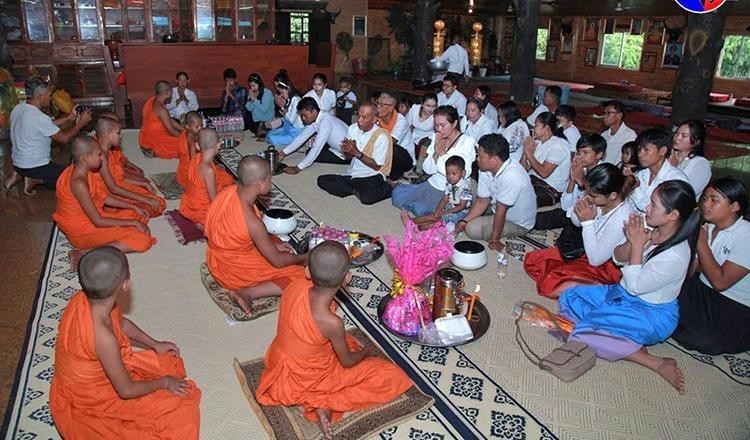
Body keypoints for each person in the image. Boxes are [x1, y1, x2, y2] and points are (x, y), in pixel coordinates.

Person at [255, 241, 413, 440]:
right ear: (347, 277)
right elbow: (347, 362)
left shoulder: (296, 286)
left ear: (307, 273)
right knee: (391, 375)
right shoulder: (331, 322)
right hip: (307, 378)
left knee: (344, 341)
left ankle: (318, 399)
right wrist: (366, 352)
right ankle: (326, 401)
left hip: (278, 366)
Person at [558, 180, 700, 395]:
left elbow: (635, 287)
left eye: (654, 205)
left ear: (673, 215)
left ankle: (653, 361)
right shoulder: (652, 227)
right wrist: (634, 241)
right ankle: (620, 337)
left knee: (582, 334)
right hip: (621, 294)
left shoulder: (676, 255)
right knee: (571, 296)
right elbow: (617, 258)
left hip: (649, 314)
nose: (647, 208)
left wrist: (637, 245)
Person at [50, 246, 201, 439]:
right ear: (125, 284)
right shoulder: (103, 338)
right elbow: (126, 390)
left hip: (98, 371)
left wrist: (155, 344)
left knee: (167, 363)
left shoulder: (83, 299)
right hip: (91, 398)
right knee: (182, 406)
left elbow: (120, 323)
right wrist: (164, 383)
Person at [204, 156, 307, 314]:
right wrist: (304, 258)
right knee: (304, 276)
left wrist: (273, 245)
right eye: (269, 179)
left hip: (215, 260)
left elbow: (236, 236)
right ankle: (246, 292)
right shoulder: (252, 222)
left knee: (274, 242)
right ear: (260, 185)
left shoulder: (227, 192)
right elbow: (278, 262)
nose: (270, 183)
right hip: (234, 271)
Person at [525, 163, 635, 298]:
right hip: (585, 251)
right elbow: (576, 223)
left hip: (605, 266)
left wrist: (588, 222)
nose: (588, 197)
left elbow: (596, 260)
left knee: (548, 285)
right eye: (587, 193)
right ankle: (580, 283)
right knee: (532, 260)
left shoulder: (621, 220)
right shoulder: (598, 200)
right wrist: (580, 213)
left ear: (612, 196)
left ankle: (600, 288)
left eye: (593, 195)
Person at [671, 177, 750, 354]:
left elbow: (721, 282)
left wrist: (701, 243)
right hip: (701, 289)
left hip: (734, 303)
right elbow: (691, 272)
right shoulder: (708, 227)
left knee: (707, 340)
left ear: (735, 206)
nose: (706, 204)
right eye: (705, 198)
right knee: (664, 302)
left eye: (714, 200)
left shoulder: (746, 235)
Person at [53, 136, 156, 254]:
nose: (102, 158)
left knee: (138, 215)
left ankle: (117, 236)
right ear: (85, 158)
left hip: (95, 219)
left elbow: (103, 197)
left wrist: (133, 206)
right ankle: (87, 252)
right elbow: (98, 221)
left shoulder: (84, 170)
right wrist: (133, 223)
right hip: (84, 232)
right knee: (142, 239)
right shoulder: (78, 183)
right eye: (98, 155)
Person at [4, 76, 92, 194]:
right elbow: (64, 139)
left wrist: (68, 118)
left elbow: (43, 126)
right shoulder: (39, 117)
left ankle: (18, 174)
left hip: (17, 163)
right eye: (49, 95)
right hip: (35, 167)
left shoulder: (18, 109)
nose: (50, 98)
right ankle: (35, 180)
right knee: (72, 179)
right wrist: (81, 123)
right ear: (39, 97)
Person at [454, 134, 536, 250]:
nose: (477, 159)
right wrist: (463, 221)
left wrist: (495, 240)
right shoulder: (485, 168)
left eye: (480, 157)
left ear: (495, 160)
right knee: (466, 186)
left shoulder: (513, 176)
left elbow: (501, 212)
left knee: (472, 229)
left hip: (516, 222)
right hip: (495, 205)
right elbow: (482, 200)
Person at [391, 105, 475, 216]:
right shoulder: (436, 137)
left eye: (443, 125)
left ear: (454, 124)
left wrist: (442, 154)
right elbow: (428, 169)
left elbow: (464, 173)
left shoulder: (467, 142)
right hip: (434, 182)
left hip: (450, 189)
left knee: (421, 209)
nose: (439, 129)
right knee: (398, 194)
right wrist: (435, 152)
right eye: (436, 125)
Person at [317, 102, 393, 205]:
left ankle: (388, 187)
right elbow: (348, 158)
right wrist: (347, 151)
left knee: (367, 198)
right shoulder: (353, 128)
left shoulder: (381, 136)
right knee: (322, 180)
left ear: (374, 119)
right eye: (358, 115)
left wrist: (357, 153)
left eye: (364, 117)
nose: (359, 120)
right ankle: (354, 190)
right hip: (353, 173)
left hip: (371, 175)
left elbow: (376, 166)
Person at [95, 116, 166, 218]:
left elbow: (118, 178)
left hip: (117, 187)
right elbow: (113, 188)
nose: (120, 137)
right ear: (107, 134)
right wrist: (143, 199)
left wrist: (142, 185)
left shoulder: (107, 151)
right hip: (107, 195)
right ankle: (116, 211)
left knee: (150, 193)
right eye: (118, 133)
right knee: (157, 204)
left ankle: (123, 208)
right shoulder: (100, 156)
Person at [535, 133, 606, 230]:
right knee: (536, 219)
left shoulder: (604, 174)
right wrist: (572, 180)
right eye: (579, 153)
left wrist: (581, 182)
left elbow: (595, 207)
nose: (581, 157)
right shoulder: (580, 168)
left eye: (585, 153)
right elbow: (565, 206)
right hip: (573, 211)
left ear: (599, 154)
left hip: (593, 219)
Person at [179, 128, 234, 228]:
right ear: (218, 145)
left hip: (189, 200)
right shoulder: (208, 171)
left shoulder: (196, 157)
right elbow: (213, 199)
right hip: (200, 207)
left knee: (227, 178)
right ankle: (204, 224)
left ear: (197, 146)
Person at [278, 97, 350, 174]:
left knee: (314, 152)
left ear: (314, 111)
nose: (303, 118)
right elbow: (302, 137)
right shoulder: (317, 119)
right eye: (301, 115)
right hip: (335, 146)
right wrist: (284, 152)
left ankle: (350, 162)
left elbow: (316, 148)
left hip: (347, 154)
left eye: (305, 115)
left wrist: (297, 168)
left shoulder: (326, 121)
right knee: (309, 151)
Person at [401, 155, 471, 231]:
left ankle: (419, 227)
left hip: (459, 213)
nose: (450, 177)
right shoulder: (449, 183)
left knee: (438, 222)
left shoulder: (465, 188)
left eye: (454, 174)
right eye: (448, 174)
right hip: (449, 208)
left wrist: (444, 213)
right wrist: (438, 209)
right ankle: (412, 221)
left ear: (463, 173)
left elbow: (461, 206)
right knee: (433, 215)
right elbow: (445, 198)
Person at [629, 128, 689, 213]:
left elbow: (655, 210)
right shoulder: (639, 174)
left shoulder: (675, 180)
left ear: (662, 151)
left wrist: (635, 187)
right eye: (639, 150)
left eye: (646, 150)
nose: (640, 154)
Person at [521, 112, 571, 207]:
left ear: (546, 128)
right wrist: (525, 152)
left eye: (536, 125)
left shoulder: (559, 145)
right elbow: (524, 169)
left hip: (551, 189)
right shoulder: (538, 142)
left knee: (522, 197)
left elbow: (544, 173)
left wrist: (530, 154)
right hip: (534, 182)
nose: (533, 129)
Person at [139, 80, 184, 159]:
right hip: (152, 145)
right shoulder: (161, 109)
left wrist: (184, 129)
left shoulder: (152, 100)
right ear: (166, 93)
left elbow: (169, 119)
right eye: (171, 91)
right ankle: (154, 153)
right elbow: (171, 130)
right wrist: (185, 137)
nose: (172, 93)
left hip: (143, 140)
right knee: (185, 146)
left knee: (182, 136)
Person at [670, 119, 711, 199]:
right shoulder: (670, 155)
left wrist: (672, 168)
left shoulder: (701, 164)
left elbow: (686, 193)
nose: (677, 138)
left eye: (683, 136)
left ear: (696, 142)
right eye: (676, 133)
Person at [375, 92, 412, 181]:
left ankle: (393, 179)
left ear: (391, 108)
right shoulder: (377, 118)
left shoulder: (401, 121)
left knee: (392, 147)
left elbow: (391, 142)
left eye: (381, 105)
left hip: (403, 158)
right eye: (377, 104)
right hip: (386, 155)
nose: (378, 107)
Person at [266, 71, 304, 146]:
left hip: (296, 130)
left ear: (288, 89)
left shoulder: (296, 100)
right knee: (269, 134)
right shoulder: (289, 99)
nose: (282, 95)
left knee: (272, 138)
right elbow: (285, 116)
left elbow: (292, 120)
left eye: (283, 92)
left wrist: (283, 109)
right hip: (288, 127)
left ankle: (297, 141)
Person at [405, 93, 437, 173]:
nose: (430, 109)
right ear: (422, 104)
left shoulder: (436, 115)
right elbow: (407, 125)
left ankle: (419, 170)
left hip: (429, 136)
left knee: (424, 147)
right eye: (428, 106)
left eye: (433, 106)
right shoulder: (415, 109)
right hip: (414, 133)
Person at [600, 100, 637, 164]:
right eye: (604, 113)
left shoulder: (629, 135)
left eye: (608, 113)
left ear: (619, 115)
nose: (604, 116)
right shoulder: (604, 135)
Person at [176, 111, 204, 188]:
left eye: (201, 125)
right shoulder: (192, 142)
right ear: (187, 126)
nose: (200, 128)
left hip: (182, 170)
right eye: (197, 126)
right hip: (189, 173)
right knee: (225, 178)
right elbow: (193, 162)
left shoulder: (185, 133)